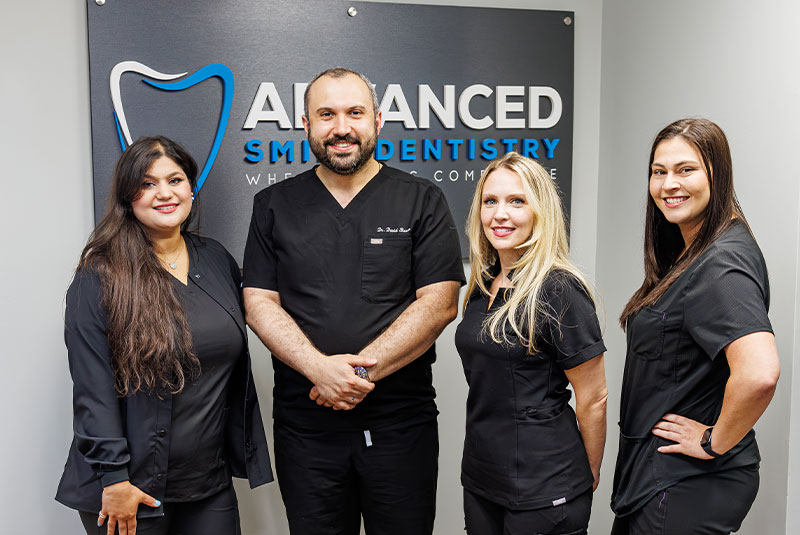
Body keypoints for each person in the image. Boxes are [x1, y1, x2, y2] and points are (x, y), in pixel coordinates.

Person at [242, 67, 464, 535]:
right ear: (306, 125)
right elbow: (259, 302)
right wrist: (320, 370)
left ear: (378, 121)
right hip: (307, 426)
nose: (341, 127)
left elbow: (441, 302)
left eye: (354, 113)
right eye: (326, 114)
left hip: (400, 426)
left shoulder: (421, 199)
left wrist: (355, 375)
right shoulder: (273, 205)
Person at [55, 136, 273, 535]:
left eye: (175, 180)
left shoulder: (216, 258)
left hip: (208, 484)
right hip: (130, 486)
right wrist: (114, 479)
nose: (165, 193)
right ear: (127, 196)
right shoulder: (100, 276)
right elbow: (93, 388)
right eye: (148, 183)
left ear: (191, 187)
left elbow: (267, 313)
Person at [611, 118, 780, 534]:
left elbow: (760, 373)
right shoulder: (694, 251)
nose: (669, 184)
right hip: (663, 478)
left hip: (687, 483)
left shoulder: (720, 262)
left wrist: (713, 440)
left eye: (686, 170)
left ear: (717, 174)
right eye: (659, 171)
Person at [454, 152, 607, 535]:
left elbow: (594, 397)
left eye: (517, 201)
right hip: (482, 479)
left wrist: (584, 474)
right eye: (491, 201)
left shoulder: (558, 289)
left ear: (540, 211)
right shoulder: (483, 283)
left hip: (544, 486)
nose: (499, 214)